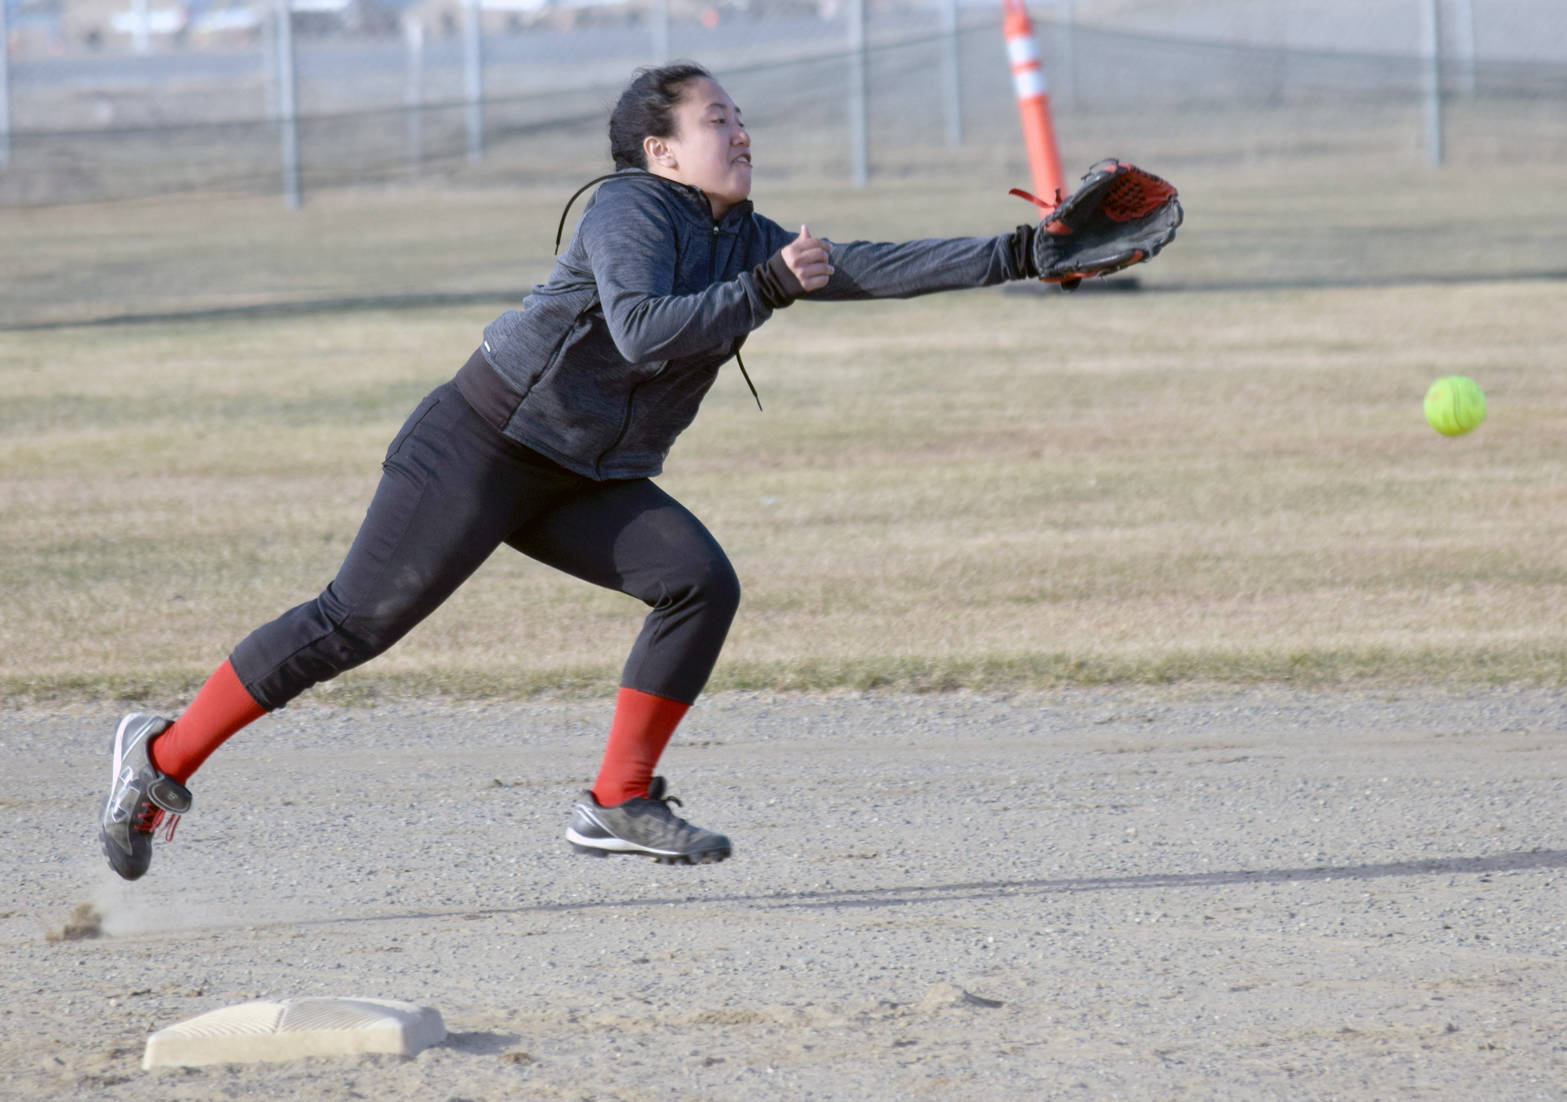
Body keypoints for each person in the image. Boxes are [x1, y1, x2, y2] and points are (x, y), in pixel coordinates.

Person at [97, 61, 1085, 879]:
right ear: (660, 153)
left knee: (697, 580)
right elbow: (642, 328)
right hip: (481, 444)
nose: (740, 134)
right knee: (352, 622)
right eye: (716, 121)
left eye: (739, 119)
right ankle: (158, 760)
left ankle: (617, 798)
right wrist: (767, 287)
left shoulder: (739, 234)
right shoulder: (628, 210)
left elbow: (867, 263)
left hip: (587, 473)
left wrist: (1021, 253)